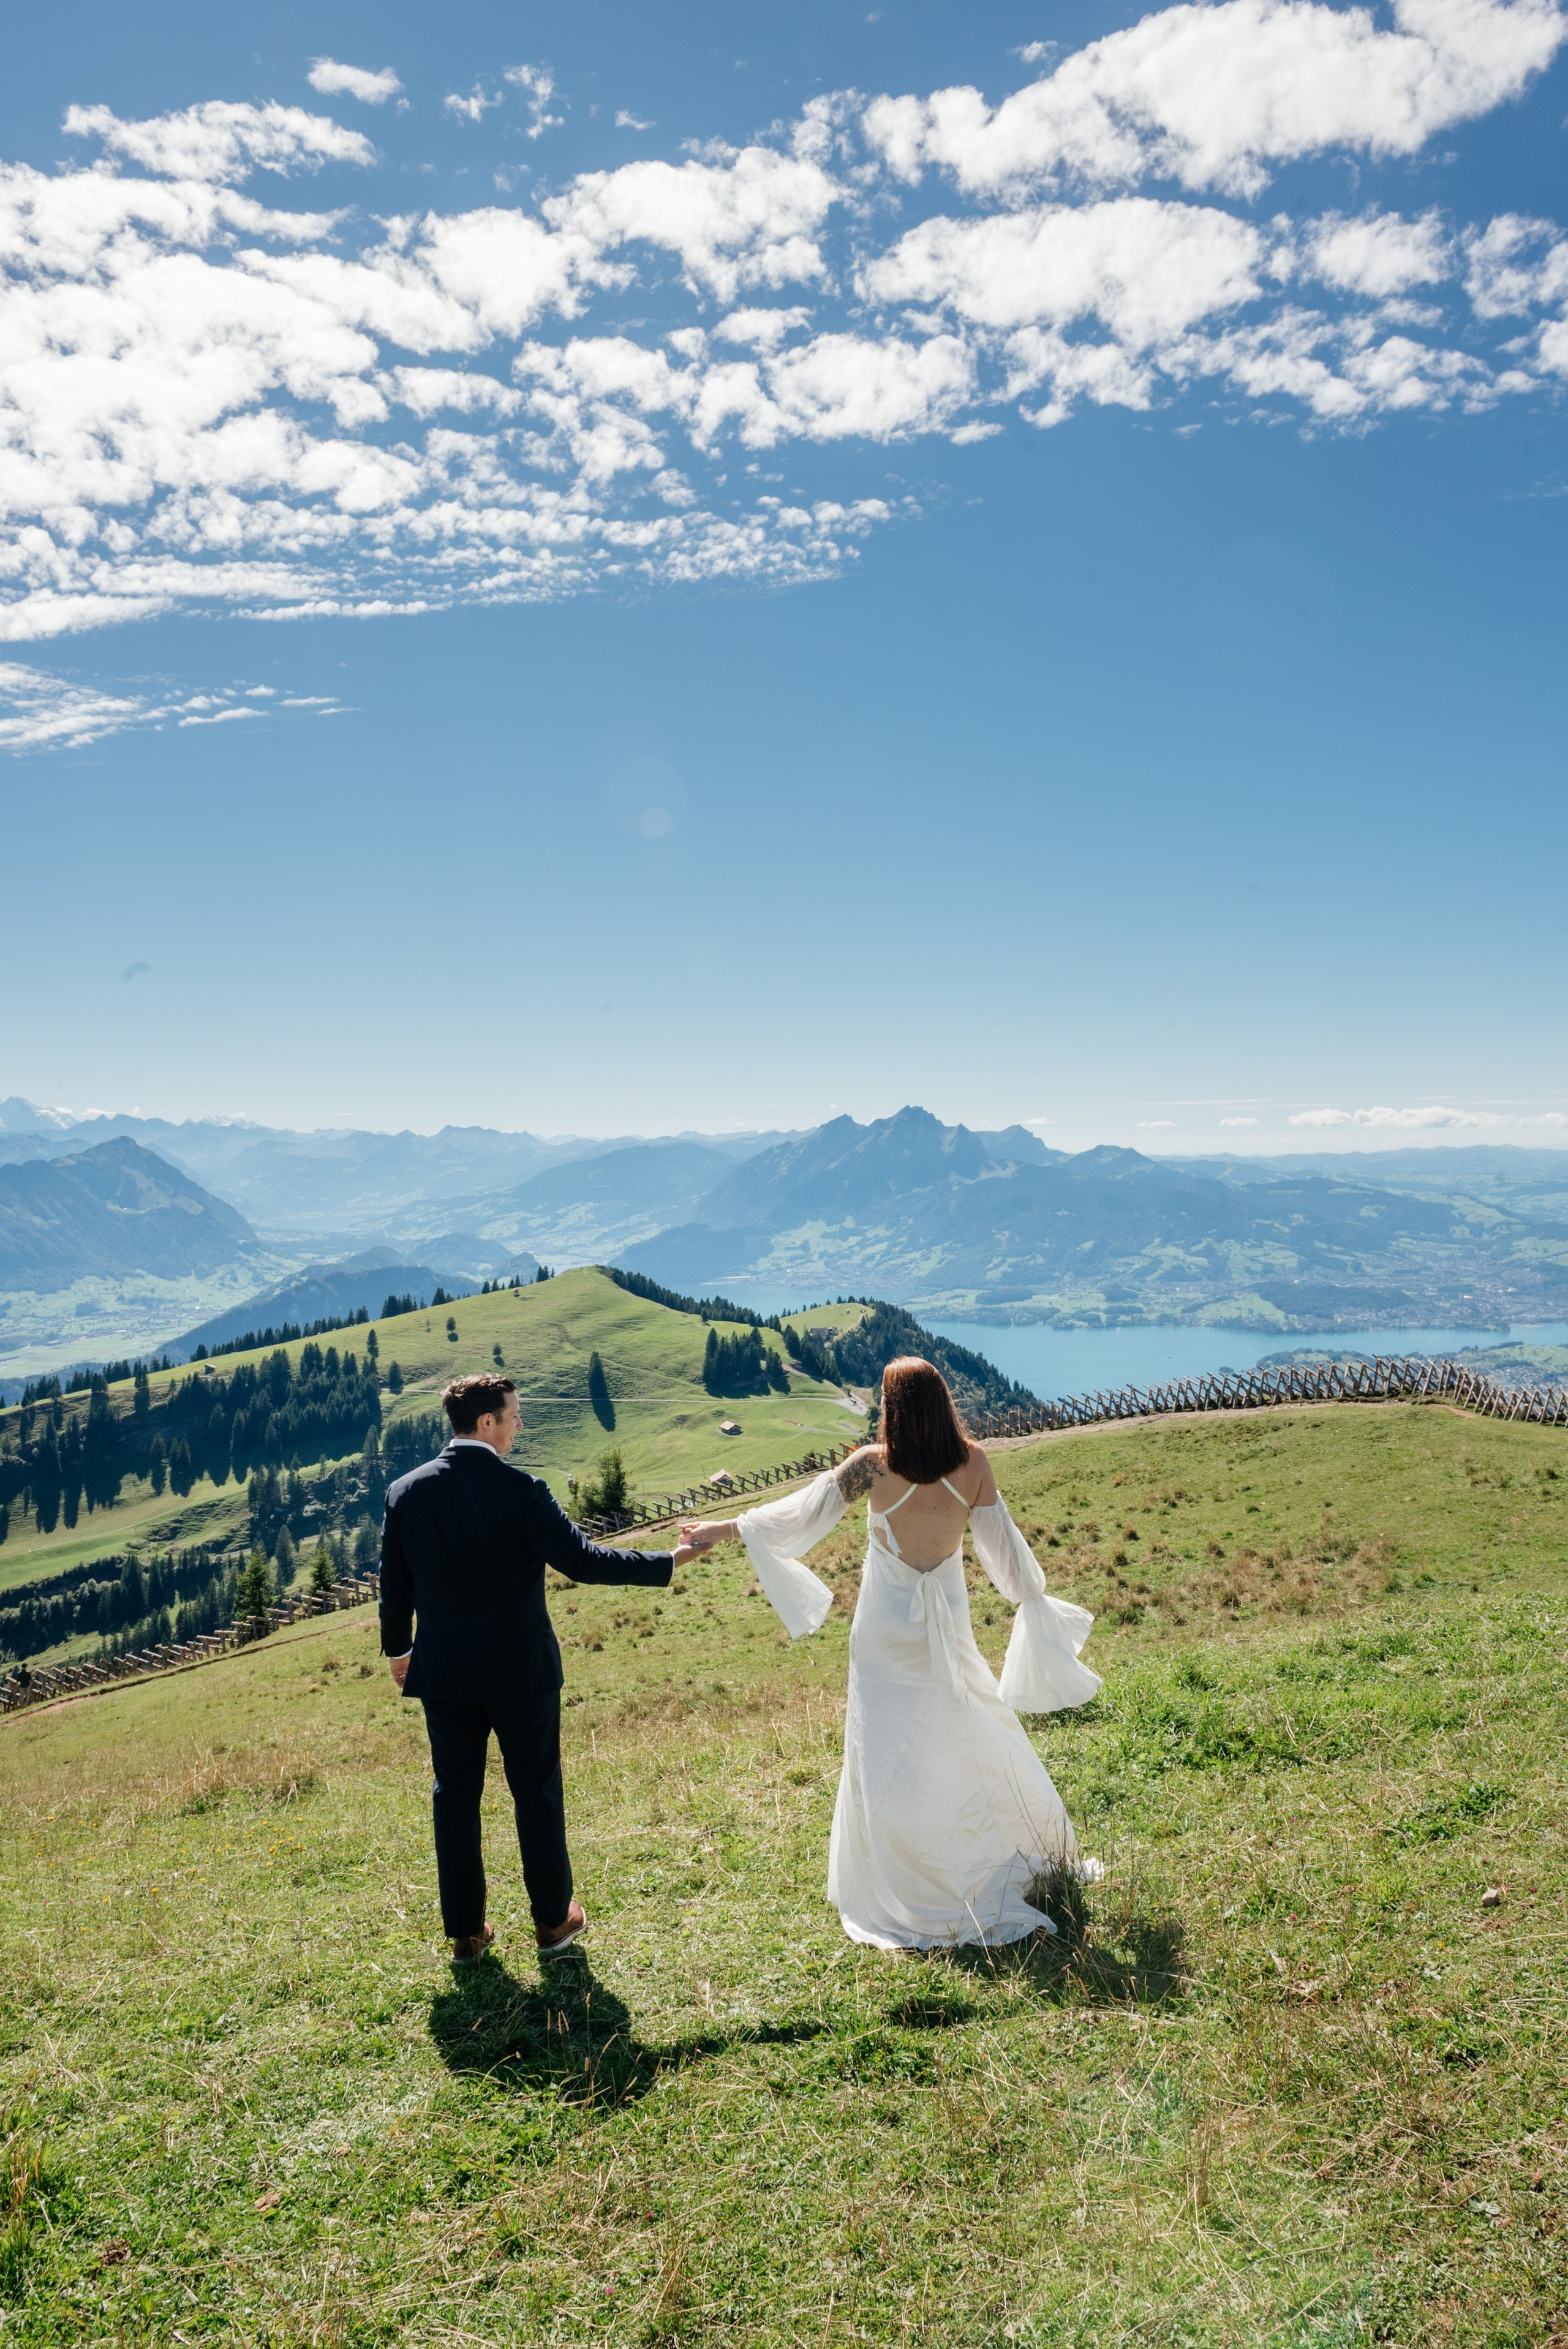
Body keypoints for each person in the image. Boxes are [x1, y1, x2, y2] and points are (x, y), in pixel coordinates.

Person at [679, 1356, 1101, 1951]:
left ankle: (902, 1873)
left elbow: (798, 1515)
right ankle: (997, 1840)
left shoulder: (873, 1468)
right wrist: (1031, 1597)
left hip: (883, 1630)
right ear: (941, 1401)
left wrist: (719, 1530)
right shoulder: (973, 1464)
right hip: (947, 1623)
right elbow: (1003, 1548)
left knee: (884, 1748)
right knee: (971, 1726)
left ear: (893, 1408)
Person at [380, 1373, 696, 1963]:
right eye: (514, 1415)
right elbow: (583, 1561)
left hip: (444, 1672)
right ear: (486, 1424)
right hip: (520, 1670)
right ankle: (553, 1923)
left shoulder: (406, 1492)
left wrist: (400, 1652)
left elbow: (394, 1586)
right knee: (537, 1792)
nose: (520, 1424)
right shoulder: (523, 1490)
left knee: (454, 1796)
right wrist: (666, 1561)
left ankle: (467, 1933)